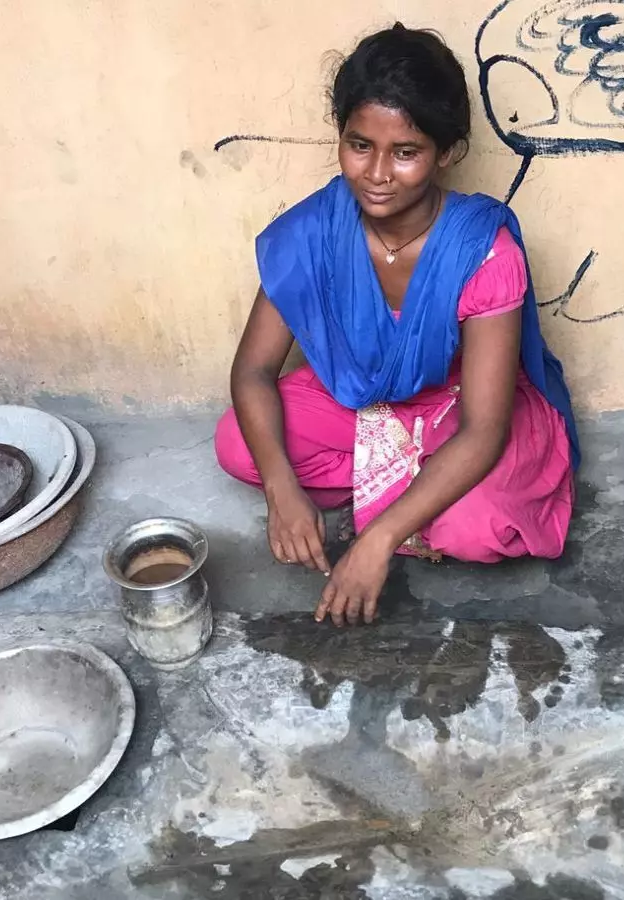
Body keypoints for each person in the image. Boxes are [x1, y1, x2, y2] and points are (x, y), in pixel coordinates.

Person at [214, 23, 581, 627]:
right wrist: (281, 491)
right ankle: (408, 490)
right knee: (240, 444)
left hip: (457, 410)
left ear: (448, 153)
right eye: (360, 145)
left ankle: (394, 501)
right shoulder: (313, 233)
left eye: (406, 153)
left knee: (478, 527)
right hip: (364, 402)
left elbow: (485, 429)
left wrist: (376, 541)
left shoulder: (480, 250)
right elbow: (253, 370)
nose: (377, 173)